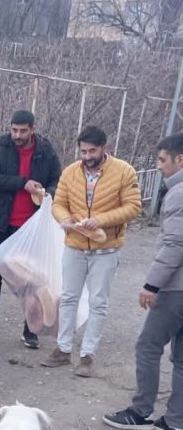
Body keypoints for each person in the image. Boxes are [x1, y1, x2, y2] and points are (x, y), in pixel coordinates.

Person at [41, 125, 141, 377]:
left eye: (91, 151)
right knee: (69, 297)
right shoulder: (70, 172)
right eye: (83, 151)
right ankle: (62, 350)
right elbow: (59, 202)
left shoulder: (124, 171)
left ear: (104, 148)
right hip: (75, 245)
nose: (86, 156)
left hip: (106, 248)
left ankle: (87, 355)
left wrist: (102, 220)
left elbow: (133, 207)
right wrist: (63, 218)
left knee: (98, 302)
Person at [103, 132, 183, 430]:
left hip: (176, 289)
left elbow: (176, 244)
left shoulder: (178, 192)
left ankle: (140, 412)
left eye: (163, 160)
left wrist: (152, 284)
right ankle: (175, 423)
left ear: (180, 159)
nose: (159, 166)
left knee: (148, 346)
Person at [0, 109, 61, 348]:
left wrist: (48, 193)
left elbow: (57, 179)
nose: (17, 135)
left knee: (31, 277)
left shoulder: (46, 151)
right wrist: (22, 183)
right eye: (14, 130)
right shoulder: (0, 147)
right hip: (2, 220)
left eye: (23, 130)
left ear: (33, 129)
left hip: (31, 226)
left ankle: (30, 328)